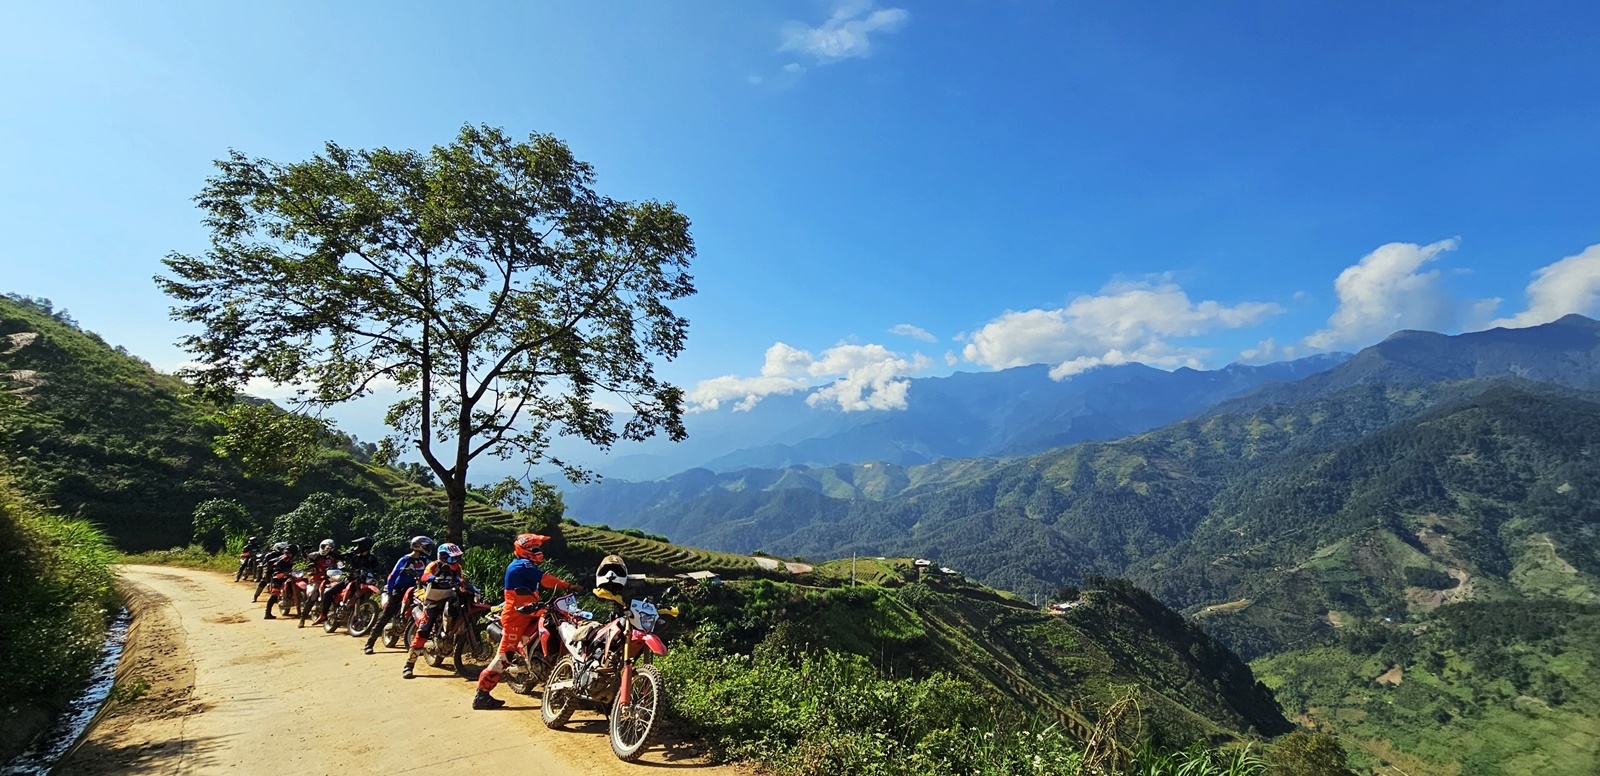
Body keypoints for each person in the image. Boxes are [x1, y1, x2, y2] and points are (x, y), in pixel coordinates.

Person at [472, 533, 583, 710]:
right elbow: (546, 580)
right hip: (516, 616)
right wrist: (569, 586)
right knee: (504, 656)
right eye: (534, 549)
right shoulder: (521, 566)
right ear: (523, 550)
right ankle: (482, 694)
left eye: (538, 548)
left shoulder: (527, 564)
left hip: (530, 611)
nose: (538, 551)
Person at [403, 542, 472, 679]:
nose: (455, 561)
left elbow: (460, 578)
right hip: (433, 600)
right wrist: (434, 578)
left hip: (450, 597)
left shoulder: (456, 567)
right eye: (452, 558)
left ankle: (452, 636)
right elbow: (425, 576)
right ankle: (409, 665)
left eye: (457, 558)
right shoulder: (434, 565)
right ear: (443, 557)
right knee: (424, 630)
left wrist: (463, 584)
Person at [364, 535, 433, 655]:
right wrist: (390, 592)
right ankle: (369, 644)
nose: (428, 549)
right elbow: (392, 576)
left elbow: (433, 572)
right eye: (426, 546)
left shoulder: (425, 560)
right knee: (386, 614)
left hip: (419, 589)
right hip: (401, 589)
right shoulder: (405, 559)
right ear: (417, 546)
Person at [314, 536, 380, 626]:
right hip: (350, 579)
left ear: (365, 546)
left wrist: (375, 576)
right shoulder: (353, 554)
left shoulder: (372, 558)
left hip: (365, 581)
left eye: (359, 544)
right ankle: (323, 615)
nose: (357, 546)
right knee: (328, 593)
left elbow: (377, 570)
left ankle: (362, 616)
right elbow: (340, 557)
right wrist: (330, 552)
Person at [261, 543, 300, 619]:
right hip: (278, 577)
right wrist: (280, 570)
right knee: (275, 594)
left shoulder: (290, 557)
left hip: (285, 575)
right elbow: (275, 564)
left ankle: (290, 598)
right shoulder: (285, 557)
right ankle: (267, 613)